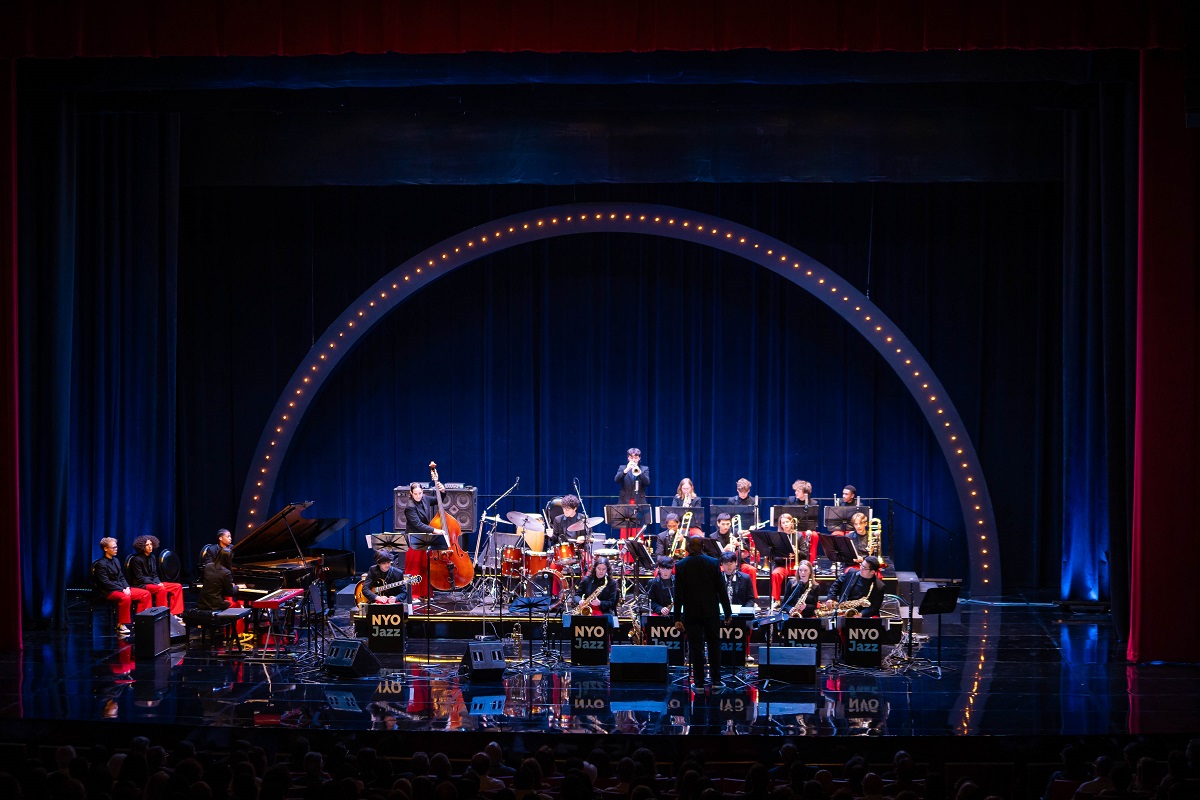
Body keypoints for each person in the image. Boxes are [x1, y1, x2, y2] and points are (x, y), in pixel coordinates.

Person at [673, 536, 733, 689]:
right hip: (711, 612)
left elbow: (678, 594)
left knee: (696, 646)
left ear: (688, 548)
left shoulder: (681, 565)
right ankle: (716, 681)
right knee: (714, 645)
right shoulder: (713, 563)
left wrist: (677, 618)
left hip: (691, 613)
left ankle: (698, 682)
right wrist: (728, 612)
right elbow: (722, 590)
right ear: (703, 547)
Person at [92, 538, 153, 637]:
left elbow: (121, 576)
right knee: (125, 597)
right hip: (108, 591)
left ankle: (140, 621)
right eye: (113, 547)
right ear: (106, 549)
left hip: (121, 588)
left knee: (145, 594)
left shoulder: (115, 560)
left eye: (116, 547)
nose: (116, 549)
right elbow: (105, 583)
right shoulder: (101, 564)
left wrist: (127, 587)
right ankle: (121, 624)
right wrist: (122, 589)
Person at [403, 479, 450, 600]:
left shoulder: (425, 498)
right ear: (411, 493)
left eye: (419, 493)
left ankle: (425, 593)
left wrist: (443, 491)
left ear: (422, 492)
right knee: (413, 568)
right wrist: (436, 530)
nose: (418, 496)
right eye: (415, 494)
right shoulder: (410, 507)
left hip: (424, 538)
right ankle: (412, 595)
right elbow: (418, 524)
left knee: (424, 566)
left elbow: (438, 500)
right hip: (414, 539)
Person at [127, 535, 184, 618]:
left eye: (151, 544)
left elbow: (154, 574)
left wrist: (158, 582)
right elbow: (140, 578)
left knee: (177, 586)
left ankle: (174, 614)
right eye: (147, 545)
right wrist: (155, 583)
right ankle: (163, 615)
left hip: (153, 583)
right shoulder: (136, 560)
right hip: (142, 585)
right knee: (161, 589)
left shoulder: (152, 557)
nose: (150, 546)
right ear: (142, 546)